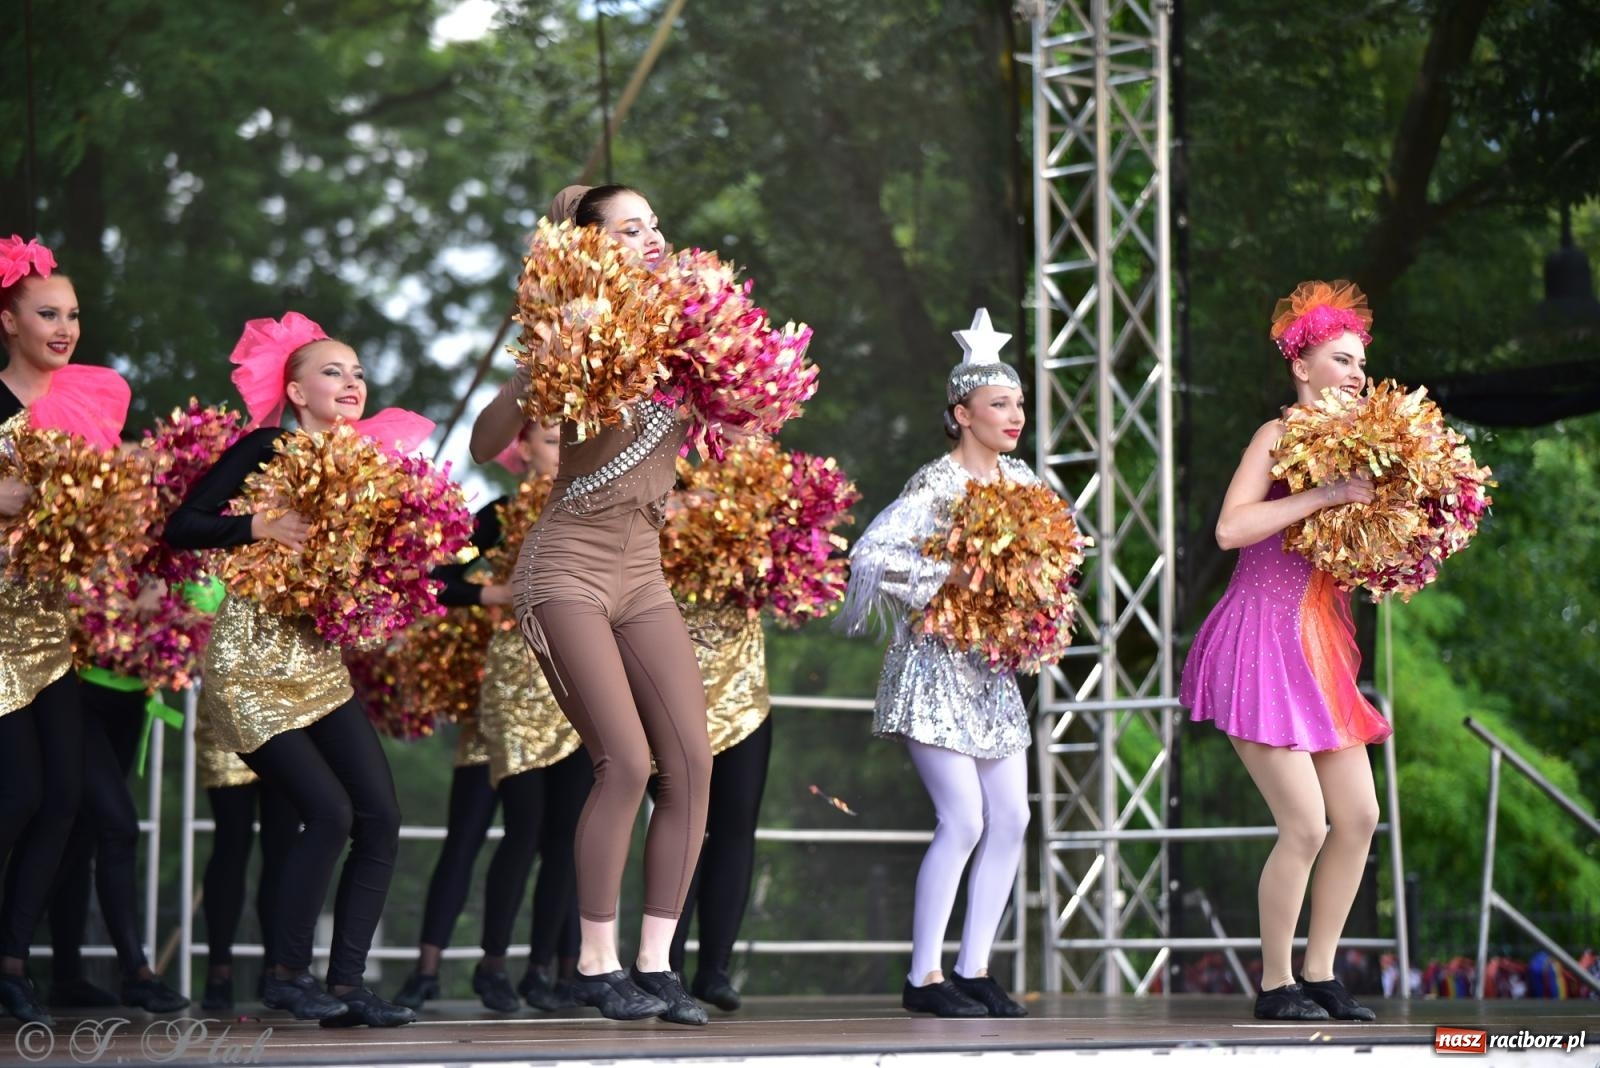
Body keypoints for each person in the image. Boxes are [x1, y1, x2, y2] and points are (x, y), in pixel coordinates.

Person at [470, 184, 712, 1026]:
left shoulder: (691, 322)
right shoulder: (572, 328)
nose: (653, 236)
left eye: (657, 222)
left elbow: (752, 406)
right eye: (631, 226)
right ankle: (595, 961)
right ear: (593, 246)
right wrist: (544, 354)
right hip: (567, 563)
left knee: (691, 764)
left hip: (643, 569)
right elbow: (483, 440)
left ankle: (655, 963)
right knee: (627, 762)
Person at [165, 312, 425, 1027]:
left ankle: (345, 984)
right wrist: (256, 525)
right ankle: (285, 974)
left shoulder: (367, 467)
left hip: (317, 663)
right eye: (333, 371)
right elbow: (182, 526)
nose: (351, 382)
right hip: (249, 666)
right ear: (298, 392)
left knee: (380, 818)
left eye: (359, 372)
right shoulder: (266, 446)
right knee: (330, 811)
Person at [1180, 279, 1389, 1023]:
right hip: (1259, 643)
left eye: (1362, 362)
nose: (1358, 373)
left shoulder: (1367, 449)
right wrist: (1326, 495)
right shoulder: (1277, 438)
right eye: (1342, 359)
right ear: (1302, 368)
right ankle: (1275, 984)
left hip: (1321, 646)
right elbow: (1231, 530)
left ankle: (1322, 972)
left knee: (1359, 816)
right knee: (1305, 824)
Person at [841, 309, 1034, 1019]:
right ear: (961, 413)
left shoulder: (1023, 483)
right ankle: (923, 976)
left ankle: (974, 967)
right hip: (934, 669)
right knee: (964, 819)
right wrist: (950, 575)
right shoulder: (936, 484)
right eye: (998, 405)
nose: (1014, 416)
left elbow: (1056, 557)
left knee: (1011, 817)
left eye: (1017, 403)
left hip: (993, 671)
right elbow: (868, 557)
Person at [395, 419, 592, 1015]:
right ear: (524, 449)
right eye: (555, 441)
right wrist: (498, 595)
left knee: (570, 838)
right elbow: (435, 580)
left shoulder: (596, 511)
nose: (565, 453)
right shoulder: (503, 514)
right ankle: (491, 965)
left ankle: (545, 971)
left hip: (585, 676)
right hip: (516, 680)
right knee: (521, 828)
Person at [0, 235, 131, 1025]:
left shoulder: (84, 401)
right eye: (48, 313)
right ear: (8, 319)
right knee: (17, 792)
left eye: (74, 314)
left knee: (60, 797)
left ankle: (13, 961)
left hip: (50, 624)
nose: (66, 327)